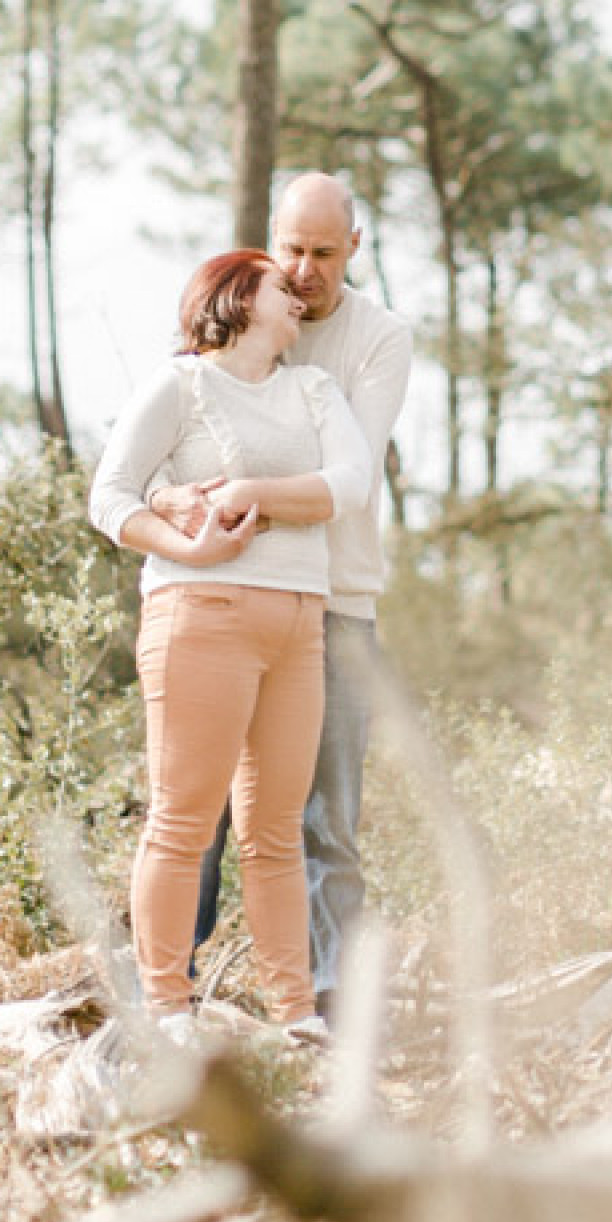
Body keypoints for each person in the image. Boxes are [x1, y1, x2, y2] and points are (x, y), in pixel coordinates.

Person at [88, 248, 373, 1037]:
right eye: (283, 287)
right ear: (238, 296)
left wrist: (251, 495)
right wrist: (188, 548)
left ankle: (294, 1015)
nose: (299, 297)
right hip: (199, 613)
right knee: (184, 820)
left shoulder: (311, 389)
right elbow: (108, 497)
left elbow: (350, 484)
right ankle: (166, 1008)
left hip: (298, 623)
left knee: (276, 830)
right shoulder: (181, 383)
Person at [170, 175, 412, 1019]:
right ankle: (169, 983)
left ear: (355, 249)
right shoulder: (237, 310)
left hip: (337, 600)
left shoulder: (380, 339)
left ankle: (333, 998)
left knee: (326, 818)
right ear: (273, 238)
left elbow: (349, 466)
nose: (304, 271)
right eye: (292, 249)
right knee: (197, 811)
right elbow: (175, 442)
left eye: (324, 253)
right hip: (223, 594)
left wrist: (239, 482)